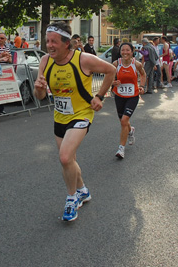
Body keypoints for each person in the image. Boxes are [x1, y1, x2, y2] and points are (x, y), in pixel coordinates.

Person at [33, 21, 115, 222]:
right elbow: (40, 96)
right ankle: (83, 190)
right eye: (47, 41)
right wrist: (39, 87)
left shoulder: (83, 59)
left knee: (64, 157)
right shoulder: (45, 61)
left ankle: (72, 199)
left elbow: (111, 70)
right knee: (69, 160)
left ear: (66, 43)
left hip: (81, 114)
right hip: (60, 116)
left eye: (54, 41)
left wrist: (100, 96)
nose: (49, 45)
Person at [111, 43, 145, 159]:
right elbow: (109, 76)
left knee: (124, 120)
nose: (125, 52)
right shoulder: (116, 64)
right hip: (119, 95)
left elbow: (143, 74)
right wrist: (113, 82)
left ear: (132, 52)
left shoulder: (136, 64)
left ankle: (121, 148)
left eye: (127, 50)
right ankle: (131, 130)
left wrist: (142, 86)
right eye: (123, 50)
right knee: (123, 121)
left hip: (133, 96)